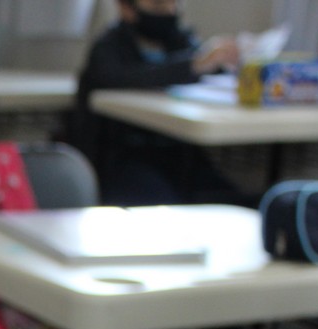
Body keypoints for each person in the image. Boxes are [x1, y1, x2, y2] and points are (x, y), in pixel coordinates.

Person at [69, 0, 245, 205]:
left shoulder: (179, 40)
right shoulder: (108, 47)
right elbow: (122, 77)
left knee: (236, 201)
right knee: (165, 205)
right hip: (125, 159)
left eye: (174, 4)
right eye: (158, 5)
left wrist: (225, 60)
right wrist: (192, 65)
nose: (169, 11)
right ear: (126, 8)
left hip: (181, 156)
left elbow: (207, 70)